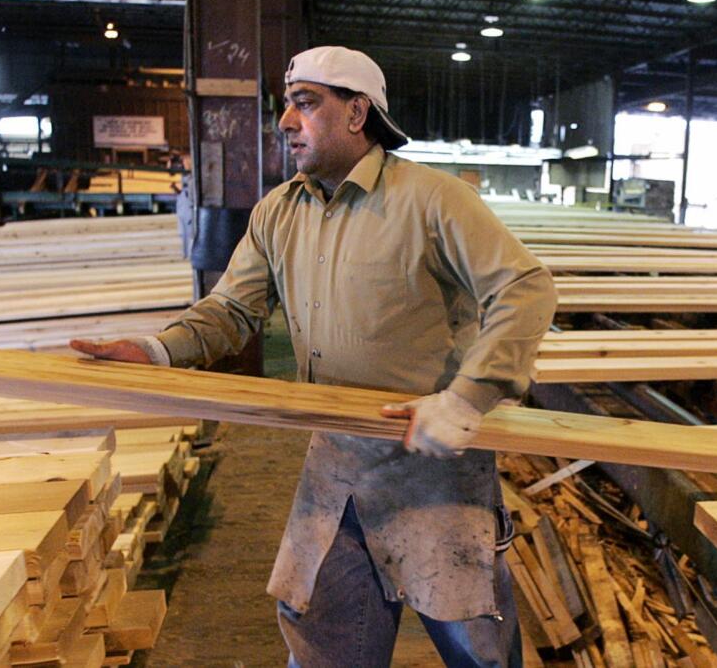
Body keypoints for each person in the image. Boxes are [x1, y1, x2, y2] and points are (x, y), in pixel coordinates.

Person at [72, 45, 557, 667]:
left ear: (357, 114)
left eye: (305, 104)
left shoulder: (433, 200)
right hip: (336, 467)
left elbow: (525, 286)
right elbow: (232, 310)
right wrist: (156, 350)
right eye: (286, 106)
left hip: (433, 464)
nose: (285, 122)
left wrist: (468, 397)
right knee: (323, 640)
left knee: (478, 649)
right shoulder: (279, 212)